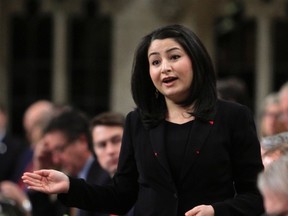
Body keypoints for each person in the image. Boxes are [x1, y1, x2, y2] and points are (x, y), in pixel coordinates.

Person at [22, 24, 264, 216]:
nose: (165, 68)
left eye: (174, 57)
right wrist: (69, 186)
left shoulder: (233, 117)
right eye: (155, 62)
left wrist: (217, 211)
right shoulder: (138, 122)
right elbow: (121, 196)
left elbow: (255, 197)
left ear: (196, 61)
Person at [39, 107, 110, 216]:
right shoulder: (69, 179)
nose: (56, 160)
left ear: (82, 141)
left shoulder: (105, 178)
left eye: (60, 149)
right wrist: (40, 173)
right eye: (52, 153)